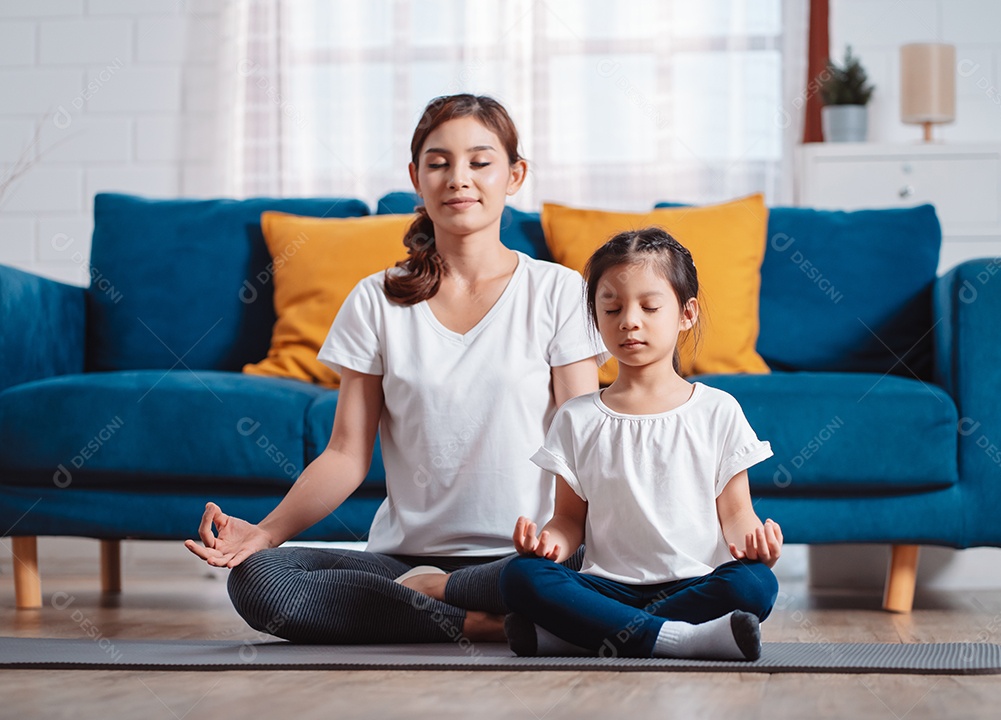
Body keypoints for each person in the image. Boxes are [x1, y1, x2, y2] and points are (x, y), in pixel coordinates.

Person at [184, 94, 603, 644]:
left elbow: (584, 440)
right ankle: (482, 622)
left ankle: (442, 602)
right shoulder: (375, 299)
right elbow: (345, 454)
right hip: (406, 561)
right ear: (416, 178)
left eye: (480, 162)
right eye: (439, 163)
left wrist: (570, 537)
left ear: (514, 175)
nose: (459, 178)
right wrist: (264, 534)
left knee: (584, 565)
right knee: (260, 580)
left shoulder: (558, 291)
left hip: (529, 554)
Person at [499, 228, 782, 659]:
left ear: (686, 314)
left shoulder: (717, 410)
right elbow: (568, 521)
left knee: (756, 583)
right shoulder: (576, 417)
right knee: (520, 575)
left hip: (694, 582)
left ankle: (585, 634)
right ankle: (679, 638)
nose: (629, 321)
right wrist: (548, 544)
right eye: (611, 308)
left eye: (649, 307)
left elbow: (737, 514)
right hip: (606, 586)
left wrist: (755, 544)